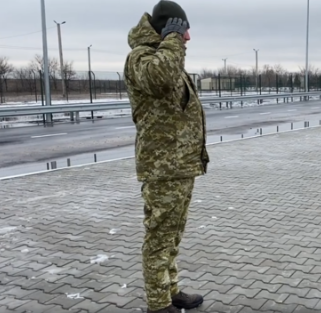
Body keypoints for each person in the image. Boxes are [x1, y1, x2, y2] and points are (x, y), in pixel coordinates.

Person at [123, 1, 210, 312]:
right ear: (167, 28)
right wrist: (172, 40)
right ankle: (158, 304)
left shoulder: (165, 56)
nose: (187, 38)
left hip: (180, 165)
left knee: (172, 236)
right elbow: (160, 79)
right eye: (182, 30)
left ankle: (170, 290)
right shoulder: (140, 58)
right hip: (162, 168)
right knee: (159, 238)